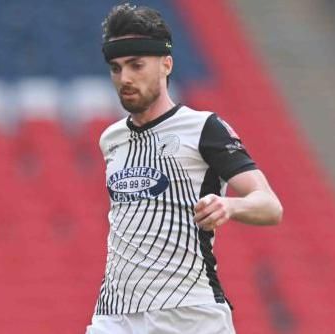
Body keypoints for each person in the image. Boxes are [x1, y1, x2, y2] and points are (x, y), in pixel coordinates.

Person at [87, 3, 283, 333]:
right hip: (114, 314)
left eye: (136, 65)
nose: (125, 78)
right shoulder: (112, 139)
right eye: (116, 68)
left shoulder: (205, 128)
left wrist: (229, 205)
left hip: (188, 312)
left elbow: (269, 205)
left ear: (166, 65)